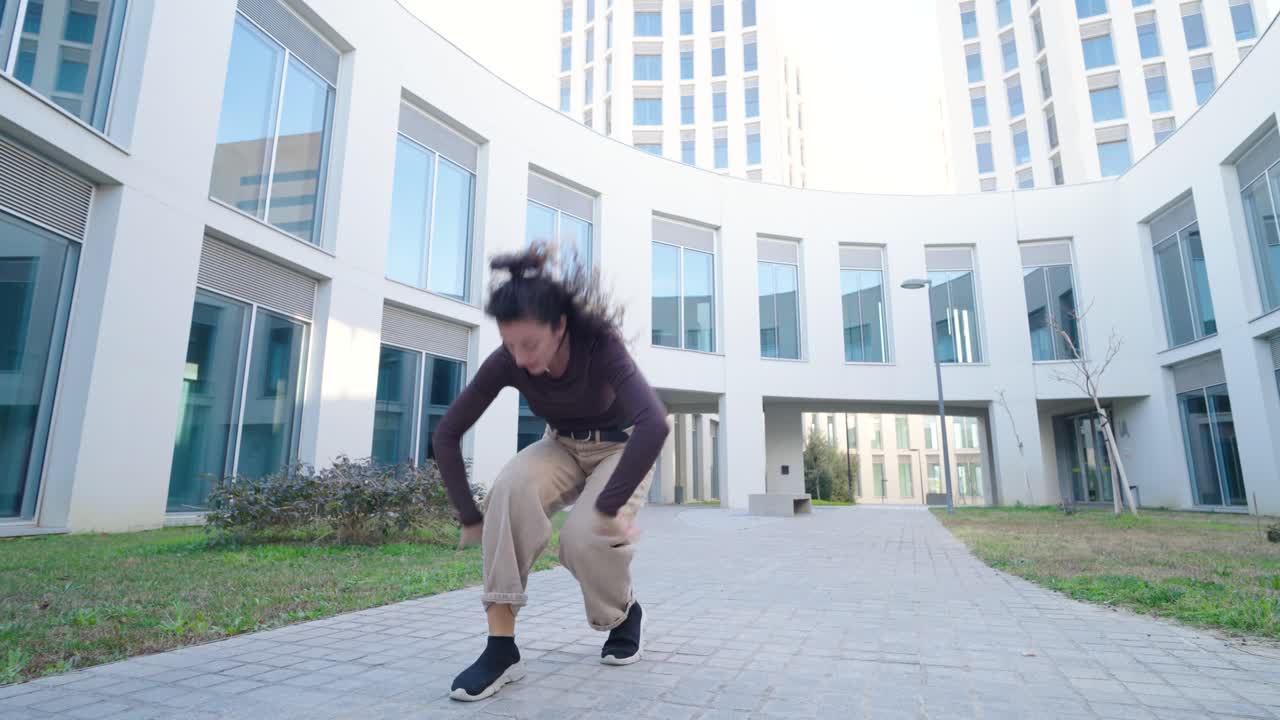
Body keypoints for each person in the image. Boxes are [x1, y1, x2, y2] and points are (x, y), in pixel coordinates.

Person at [432, 242, 670, 702]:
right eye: (510, 345)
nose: (519, 359)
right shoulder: (510, 359)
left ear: (560, 326)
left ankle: (623, 615)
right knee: (510, 489)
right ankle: (501, 649)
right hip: (560, 444)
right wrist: (470, 516)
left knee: (584, 536)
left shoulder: (598, 343)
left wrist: (607, 506)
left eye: (530, 344)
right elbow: (447, 432)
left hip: (619, 446)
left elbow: (653, 422)